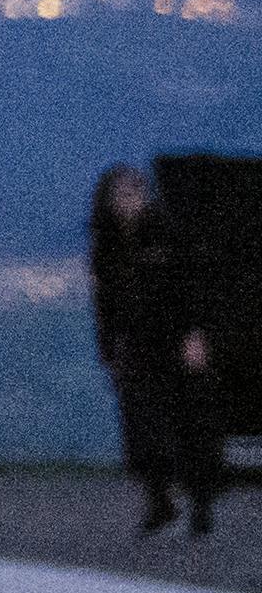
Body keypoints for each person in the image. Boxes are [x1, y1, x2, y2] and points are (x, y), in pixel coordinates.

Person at [91, 163, 221, 537]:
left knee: (188, 421)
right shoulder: (107, 243)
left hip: (174, 339)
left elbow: (192, 285)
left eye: (136, 192)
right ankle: (160, 502)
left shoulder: (165, 231)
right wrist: (109, 349)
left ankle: (199, 505)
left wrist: (196, 335)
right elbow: (105, 302)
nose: (130, 200)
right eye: (122, 194)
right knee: (141, 426)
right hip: (134, 345)